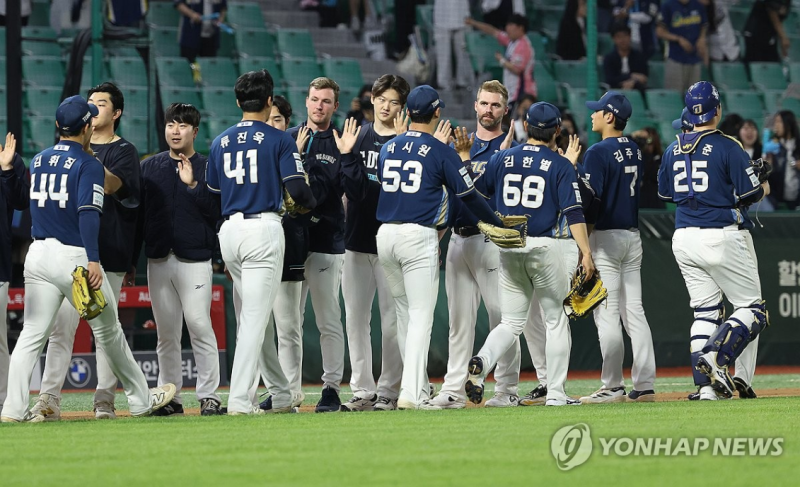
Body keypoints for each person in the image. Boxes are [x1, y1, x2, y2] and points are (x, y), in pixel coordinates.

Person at [1, 96, 176, 423]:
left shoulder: (39, 159)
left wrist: (10, 170)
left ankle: (13, 408)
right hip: (73, 258)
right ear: (85, 127)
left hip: (37, 256)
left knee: (31, 335)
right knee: (109, 331)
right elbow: (88, 214)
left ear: (57, 126)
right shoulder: (88, 164)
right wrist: (93, 260)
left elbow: (24, 202)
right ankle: (139, 399)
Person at [375, 85, 505, 410]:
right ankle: (411, 393)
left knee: (405, 314)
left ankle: (416, 387)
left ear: (406, 113)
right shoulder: (440, 149)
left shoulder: (388, 147)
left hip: (385, 235)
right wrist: (499, 225)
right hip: (417, 236)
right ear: (436, 113)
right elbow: (470, 196)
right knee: (420, 316)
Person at [465, 102, 595, 407]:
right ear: (558, 131)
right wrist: (586, 253)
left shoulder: (501, 158)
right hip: (545, 246)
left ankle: (483, 361)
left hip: (510, 246)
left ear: (524, 125)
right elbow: (574, 213)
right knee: (555, 321)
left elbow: (478, 191)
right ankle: (557, 394)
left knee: (511, 322)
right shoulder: (561, 164)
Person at [207, 69, 317, 415]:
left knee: (258, 316)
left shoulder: (219, 141)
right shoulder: (279, 139)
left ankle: (282, 395)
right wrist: (309, 202)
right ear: (269, 101)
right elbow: (298, 190)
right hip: (263, 230)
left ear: (239, 102)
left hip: (230, 231)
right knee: (255, 318)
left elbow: (212, 194)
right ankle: (240, 400)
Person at [32, 82, 141, 421]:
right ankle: (49, 398)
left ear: (116, 112)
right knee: (60, 329)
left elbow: (116, 188)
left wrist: (89, 159)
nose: (95, 108)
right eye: (91, 103)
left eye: (102, 103)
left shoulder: (124, 151)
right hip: (70, 253)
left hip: (107, 252)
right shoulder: (68, 151)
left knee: (105, 333)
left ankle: (104, 399)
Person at [657, 81, 770, 401]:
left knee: (706, 312)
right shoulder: (727, 145)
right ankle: (717, 358)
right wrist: (761, 178)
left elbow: (665, 193)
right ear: (716, 110)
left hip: (682, 236)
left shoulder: (673, 147)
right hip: (718, 234)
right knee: (754, 309)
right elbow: (751, 195)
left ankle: (706, 387)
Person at [427, 81, 521, 410]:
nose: (487, 110)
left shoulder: (510, 149)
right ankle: (452, 391)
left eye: (495, 105)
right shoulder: (458, 144)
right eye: (483, 103)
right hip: (458, 239)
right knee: (459, 322)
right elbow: (448, 196)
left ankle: (507, 390)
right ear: (475, 105)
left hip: (491, 240)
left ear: (505, 110)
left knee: (503, 317)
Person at [136, 103, 223, 416]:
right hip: (158, 259)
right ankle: (170, 396)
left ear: (195, 132)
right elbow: (140, 217)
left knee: (199, 325)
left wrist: (193, 186)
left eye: (183, 125)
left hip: (195, 259)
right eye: (171, 124)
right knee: (166, 333)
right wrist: (134, 260)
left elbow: (217, 214)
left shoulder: (208, 167)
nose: (175, 130)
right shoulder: (150, 167)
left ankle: (209, 395)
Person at [337, 74, 411, 412]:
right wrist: (348, 155)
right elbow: (353, 191)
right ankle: (363, 390)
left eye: (393, 101)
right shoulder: (358, 136)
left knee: (392, 320)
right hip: (356, 239)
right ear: (372, 99)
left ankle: (389, 390)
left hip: (392, 243)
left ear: (402, 107)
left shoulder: (407, 142)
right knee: (355, 318)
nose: (385, 105)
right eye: (381, 98)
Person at [579, 91, 657, 403]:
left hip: (607, 236)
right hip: (632, 236)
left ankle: (612, 385)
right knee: (634, 311)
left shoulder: (597, 152)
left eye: (598, 111)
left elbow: (589, 201)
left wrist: (583, 241)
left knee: (607, 313)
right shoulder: (635, 150)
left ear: (610, 117)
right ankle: (646, 384)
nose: (593, 114)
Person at [287, 77, 347, 413]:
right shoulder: (289, 138)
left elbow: (321, 193)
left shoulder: (340, 142)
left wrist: (296, 161)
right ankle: (288, 390)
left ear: (335, 106)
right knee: (290, 319)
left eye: (325, 101)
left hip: (325, 238)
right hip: (293, 241)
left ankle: (331, 388)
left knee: (328, 319)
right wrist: (293, 153)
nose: (318, 106)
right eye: (313, 99)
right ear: (306, 101)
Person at [256, 95, 312, 412]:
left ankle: (290, 390)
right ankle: (276, 389)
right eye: (269, 118)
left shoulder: (292, 153)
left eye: (278, 119)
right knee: (260, 324)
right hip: (261, 241)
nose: (273, 124)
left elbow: (306, 201)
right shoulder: (261, 153)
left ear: (287, 124)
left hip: (290, 239)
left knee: (288, 324)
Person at [0, 134, 28, 417]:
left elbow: (21, 201)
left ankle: (2, 401)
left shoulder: (9, 158)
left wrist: (7, 169)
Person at [465, 13, 537, 104]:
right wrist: (474, 23)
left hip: (522, 93)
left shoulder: (523, 46)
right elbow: (492, 31)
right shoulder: (511, 41)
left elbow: (517, 69)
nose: (507, 28)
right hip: (512, 91)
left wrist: (501, 60)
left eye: (511, 25)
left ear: (520, 28)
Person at [656, 0, 709, 93]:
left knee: (694, 96)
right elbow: (659, 32)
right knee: (674, 94)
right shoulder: (668, 6)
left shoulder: (697, 5)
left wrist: (702, 38)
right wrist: (678, 39)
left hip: (694, 57)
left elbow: (704, 25)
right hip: (675, 57)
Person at [434, 0, 473, 91]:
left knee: (463, 52)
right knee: (443, 54)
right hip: (442, 16)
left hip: (462, 15)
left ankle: (462, 81)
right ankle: (444, 83)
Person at [765, 110, 800, 209]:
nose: (776, 125)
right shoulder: (772, 145)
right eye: (775, 122)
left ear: (788, 123)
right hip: (777, 197)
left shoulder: (798, 144)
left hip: (796, 197)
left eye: (779, 121)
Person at [604, 23, 649, 91]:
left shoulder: (639, 56)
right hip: (615, 89)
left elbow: (643, 77)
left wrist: (632, 82)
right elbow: (610, 79)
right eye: (618, 37)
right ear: (613, 39)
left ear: (630, 37)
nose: (622, 40)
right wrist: (630, 76)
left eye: (625, 36)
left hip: (637, 88)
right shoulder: (609, 58)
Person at [630, 126, 665, 209]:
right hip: (638, 203)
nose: (646, 143)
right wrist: (633, 136)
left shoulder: (661, 159)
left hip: (655, 203)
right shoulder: (635, 158)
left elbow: (653, 174)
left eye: (649, 140)